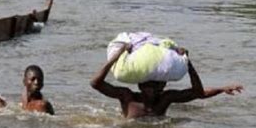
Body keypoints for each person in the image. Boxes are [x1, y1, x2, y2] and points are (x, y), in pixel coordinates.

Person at [91, 43, 243, 119]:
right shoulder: (127, 97)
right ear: (141, 84)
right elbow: (95, 83)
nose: (156, 88)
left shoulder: (166, 98)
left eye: (159, 84)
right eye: (151, 85)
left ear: (164, 84)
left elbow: (198, 93)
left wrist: (187, 62)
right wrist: (117, 55)